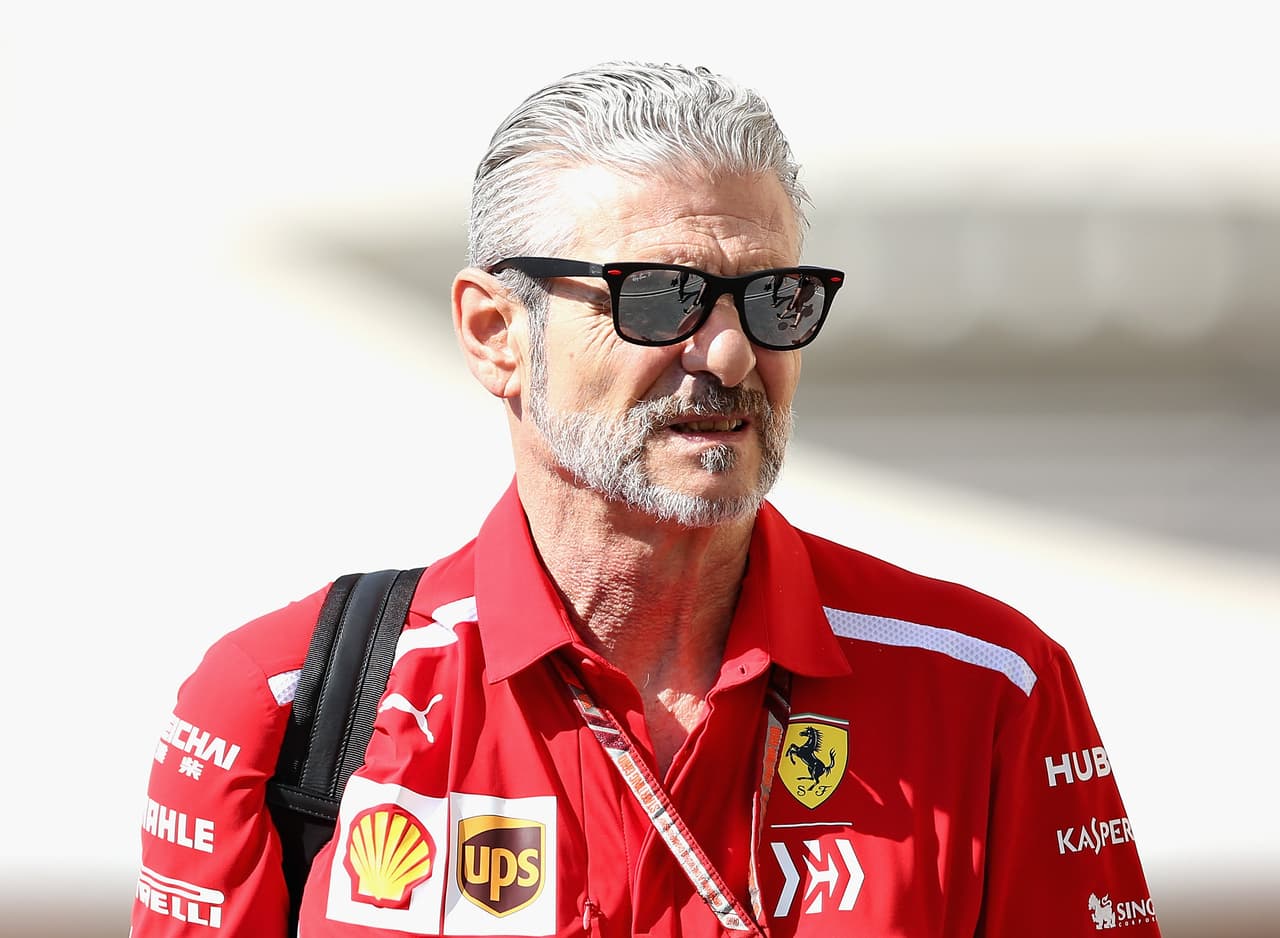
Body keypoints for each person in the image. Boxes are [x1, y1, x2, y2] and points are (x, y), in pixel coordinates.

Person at [131, 62, 1161, 937]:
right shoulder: (276, 705)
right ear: (495, 333)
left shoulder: (986, 686)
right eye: (657, 296)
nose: (726, 352)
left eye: (772, 297)